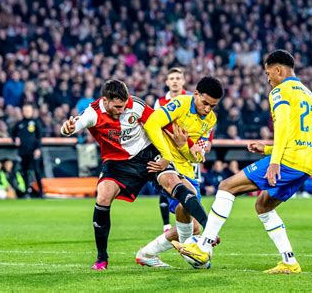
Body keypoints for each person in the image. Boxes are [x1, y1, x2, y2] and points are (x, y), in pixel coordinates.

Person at [172, 50, 312, 274]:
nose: (268, 79)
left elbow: (284, 128)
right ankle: (289, 261)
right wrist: (267, 149)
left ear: (278, 70)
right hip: (305, 162)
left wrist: (274, 160)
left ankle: (204, 246)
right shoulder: (308, 94)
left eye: (269, 74)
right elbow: (299, 135)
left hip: (287, 161)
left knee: (226, 187)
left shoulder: (280, 91)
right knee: (263, 205)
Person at [61, 79, 209, 270]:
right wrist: (67, 129)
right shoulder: (93, 113)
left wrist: (188, 145)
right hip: (117, 163)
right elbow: (75, 124)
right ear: (105, 101)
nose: (122, 110)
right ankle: (101, 258)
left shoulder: (135, 105)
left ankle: (208, 229)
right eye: (117, 107)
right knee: (103, 196)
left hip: (147, 155)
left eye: (124, 106)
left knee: (174, 183)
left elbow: (161, 123)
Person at [137, 76, 224, 267]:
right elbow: (152, 123)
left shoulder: (210, 120)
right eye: (205, 103)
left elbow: (197, 156)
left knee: (190, 223)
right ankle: (188, 252)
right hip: (164, 165)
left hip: (187, 170)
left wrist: (184, 146)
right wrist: (167, 155)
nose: (208, 109)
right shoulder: (180, 104)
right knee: (190, 213)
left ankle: (147, 254)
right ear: (196, 94)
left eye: (213, 106)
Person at [153, 67, 191, 233]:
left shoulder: (190, 99)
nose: (175, 81)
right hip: (166, 150)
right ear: (167, 82)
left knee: (190, 185)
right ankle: (167, 225)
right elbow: (154, 125)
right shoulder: (160, 102)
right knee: (166, 183)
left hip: (186, 151)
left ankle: (188, 221)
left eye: (178, 78)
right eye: (172, 78)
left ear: (183, 80)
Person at [11, 103, 43, 197]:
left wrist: (38, 148)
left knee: (37, 171)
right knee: (24, 171)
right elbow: (12, 134)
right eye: (25, 110)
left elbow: (39, 137)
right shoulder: (19, 124)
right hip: (23, 152)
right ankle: (26, 191)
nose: (27, 112)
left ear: (32, 111)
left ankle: (41, 191)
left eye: (28, 110)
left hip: (33, 151)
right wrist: (15, 139)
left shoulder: (36, 123)